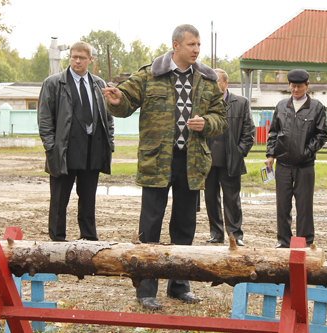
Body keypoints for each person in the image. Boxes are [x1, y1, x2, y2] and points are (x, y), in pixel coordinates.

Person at [102, 24, 227, 311]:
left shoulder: (207, 80)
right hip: (157, 159)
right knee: (150, 226)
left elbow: (221, 118)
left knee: (184, 226)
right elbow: (125, 100)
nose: (196, 50)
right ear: (176, 45)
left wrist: (207, 123)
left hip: (192, 161)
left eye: (198, 45)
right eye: (191, 45)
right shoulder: (151, 74)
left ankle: (179, 285)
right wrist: (117, 99)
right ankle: (146, 289)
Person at [38, 41, 115, 242]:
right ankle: (57, 241)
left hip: (93, 150)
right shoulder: (53, 83)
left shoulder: (99, 84)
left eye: (82, 57)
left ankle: (89, 240)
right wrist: (51, 148)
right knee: (59, 200)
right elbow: (45, 119)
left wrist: (110, 144)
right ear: (69, 57)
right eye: (74, 57)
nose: (77, 61)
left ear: (90, 59)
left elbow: (108, 117)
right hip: (64, 151)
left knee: (88, 199)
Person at [265, 69, 327, 248]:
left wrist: (307, 152)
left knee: (304, 206)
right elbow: (273, 132)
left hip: (305, 166)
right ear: (289, 86)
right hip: (283, 165)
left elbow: (323, 134)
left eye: (299, 86)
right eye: (293, 86)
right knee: (283, 205)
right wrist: (270, 154)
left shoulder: (316, 107)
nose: (296, 90)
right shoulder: (281, 106)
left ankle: (304, 241)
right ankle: (284, 241)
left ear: (307, 86)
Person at [205, 68, 255, 246]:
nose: (213, 85)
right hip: (209, 161)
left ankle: (235, 235)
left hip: (230, 161)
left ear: (225, 83)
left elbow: (249, 132)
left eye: (216, 81)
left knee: (232, 200)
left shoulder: (241, 103)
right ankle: (216, 234)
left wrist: (239, 152)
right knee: (211, 198)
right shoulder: (204, 104)